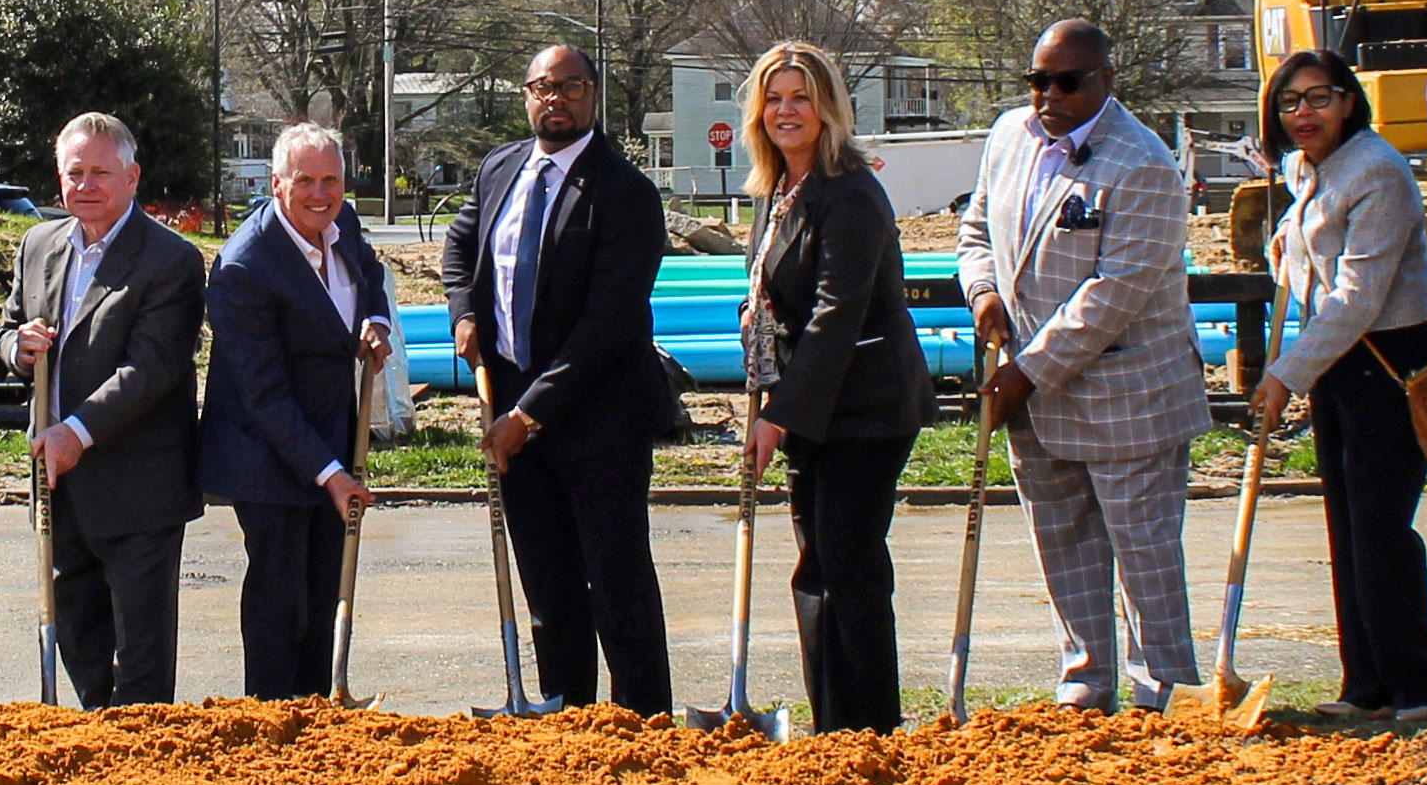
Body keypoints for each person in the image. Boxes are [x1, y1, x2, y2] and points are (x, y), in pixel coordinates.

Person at [956, 20, 1205, 712]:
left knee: (1143, 551)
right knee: (1063, 543)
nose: (1050, 95)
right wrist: (982, 291)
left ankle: (1163, 689)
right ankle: (1086, 684)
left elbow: (1114, 294)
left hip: (1128, 388)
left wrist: (1027, 371)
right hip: (1034, 389)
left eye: (1068, 81)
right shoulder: (1009, 137)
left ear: (1106, 81)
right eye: (1039, 80)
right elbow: (976, 230)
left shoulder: (1144, 164)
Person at [441, 44, 678, 715]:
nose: (557, 98)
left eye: (571, 86)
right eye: (544, 86)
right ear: (526, 94)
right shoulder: (501, 169)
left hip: (600, 420)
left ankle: (643, 723)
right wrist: (465, 316)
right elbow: (461, 245)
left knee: (617, 582)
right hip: (516, 414)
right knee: (548, 586)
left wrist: (530, 414)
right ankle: (565, 715)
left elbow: (608, 323)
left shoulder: (624, 192)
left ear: (593, 94)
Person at [736, 43, 929, 736]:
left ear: (829, 108)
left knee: (847, 562)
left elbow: (836, 312)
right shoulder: (778, 186)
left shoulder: (848, 190)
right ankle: (834, 724)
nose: (787, 110)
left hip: (866, 405)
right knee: (816, 564)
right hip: (816, 404)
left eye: (801, 96)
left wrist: (778, 418)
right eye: (775, 97)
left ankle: (870, 727)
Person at [1251, 51, 1427, 721]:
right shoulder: (1302, 167)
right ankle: (1364, 683)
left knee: (1380, 528)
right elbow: (1309, 245)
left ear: (1349, 101)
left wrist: (1284, 374)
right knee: (1346, 527)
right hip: (1340, 362)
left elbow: (1359, 296)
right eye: (1289, 102)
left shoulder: (1379, 172)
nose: (1303, 113)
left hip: (1389, 361)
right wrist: (1283, 242)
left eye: (1318, 98)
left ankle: (1417, 684)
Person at [0, 112, 205, 708]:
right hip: (59, 484)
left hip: (139, 483)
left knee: (139, 656)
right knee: (79, 633)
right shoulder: (39, 244)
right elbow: (12, 328)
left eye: (101, 173)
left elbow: (153, 369)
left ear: (133, 177)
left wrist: (76, 432)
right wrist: (18, 346)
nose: (86, 185)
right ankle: (94, 750)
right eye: (75, 172)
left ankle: (143, 764)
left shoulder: (171, 260)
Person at [201, 123, 396, 700]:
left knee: (324, 587)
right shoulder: (245, 268)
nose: (319, 194)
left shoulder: (344, 223)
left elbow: (369, 272)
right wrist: (332, 475)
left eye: (330, 180)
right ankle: (272, 720)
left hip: (330, 434)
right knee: (280, 599)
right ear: (276, 183)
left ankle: (322, 712)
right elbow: (265, 396)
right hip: (264, 454)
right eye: (305, 181)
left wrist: (376, 321)